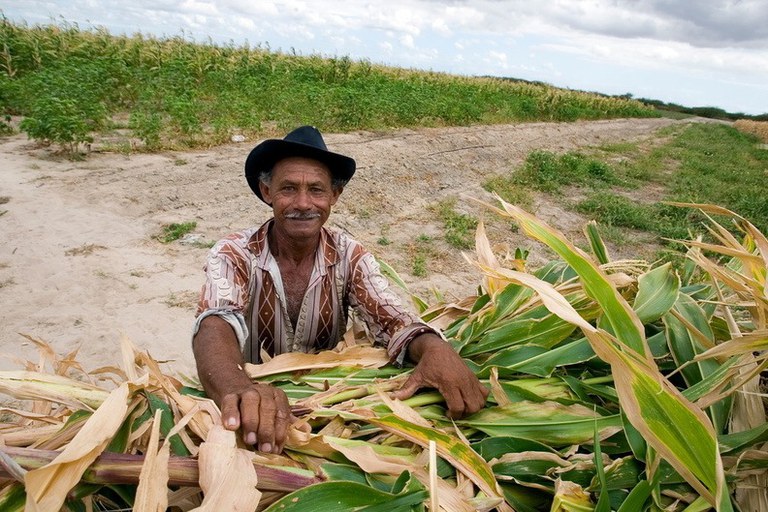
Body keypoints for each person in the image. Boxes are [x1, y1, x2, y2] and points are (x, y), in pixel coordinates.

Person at [192, 126, 488, 454]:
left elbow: (391, 317)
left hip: (325, 405)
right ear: (267, 192)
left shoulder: (349, 254)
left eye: (316, 190)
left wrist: (434, 349)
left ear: (334, 196)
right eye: (288, 188)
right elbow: (214, 323)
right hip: (248, 400)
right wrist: (238, 388)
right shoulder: (235, 252)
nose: (303, 203)